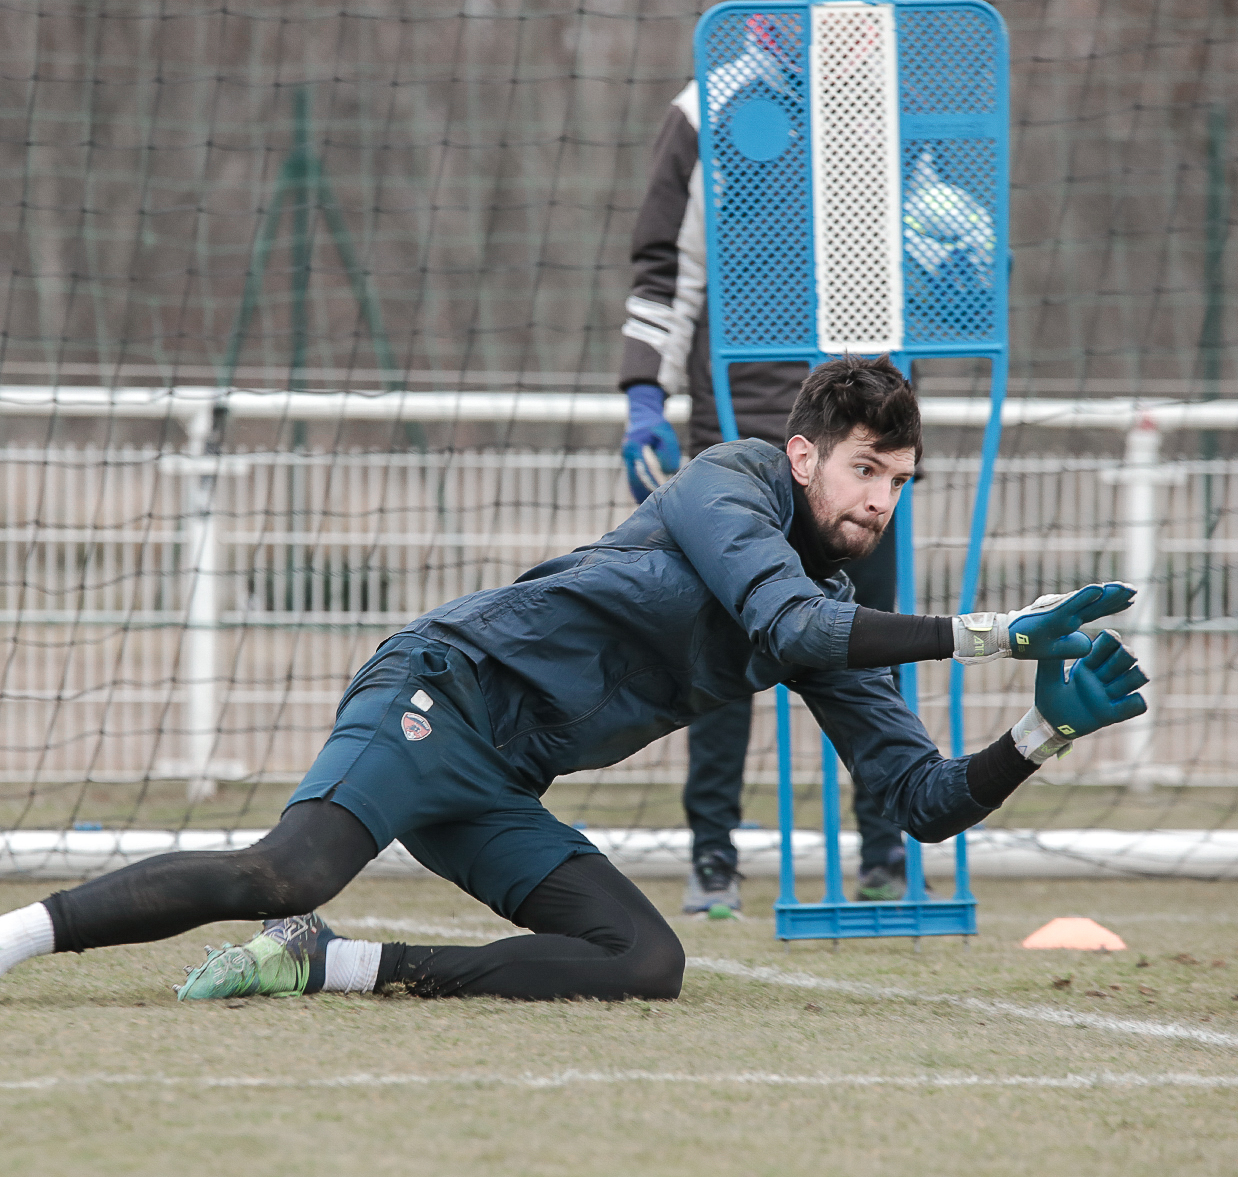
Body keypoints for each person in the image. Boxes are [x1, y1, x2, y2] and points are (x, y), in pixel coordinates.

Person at [0, 355, 1147, 1004]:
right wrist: (998, 634)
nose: (880, 503)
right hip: (440, 691)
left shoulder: (835, 615)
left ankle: (328, 964)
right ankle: (13, 940)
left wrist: (1036, 737)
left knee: (646, 962)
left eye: (899, 483)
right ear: (803, 455)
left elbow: (916, 802)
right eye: (864, 472)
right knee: (286, 867)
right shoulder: (727, 483)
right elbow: (787, 629)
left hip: (503, 780)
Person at [619, 0, 918, 909]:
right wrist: (644, 393)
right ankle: (714, 855)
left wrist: (962, 243)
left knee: (870, 644)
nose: (834, 1)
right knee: (722, 646)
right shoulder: (708, 101)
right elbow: (670, 266)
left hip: (866, 427)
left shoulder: (894, 103)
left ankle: (886, 846)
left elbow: (935, 240)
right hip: (743, 423)